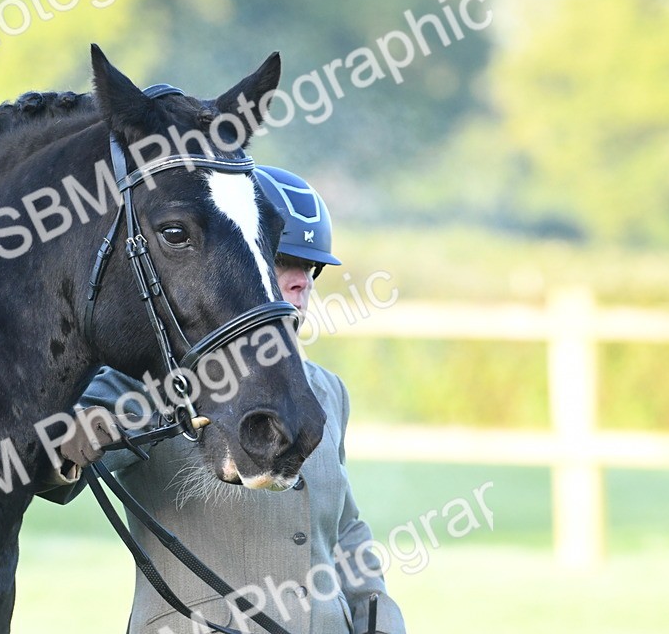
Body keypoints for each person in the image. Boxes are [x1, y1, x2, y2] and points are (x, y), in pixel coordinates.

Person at [38, 166, 406, 634]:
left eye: (311, 268)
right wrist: (76, 435)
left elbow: (346, 530)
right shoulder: (148, 377)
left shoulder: (328, 392)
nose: (302, 282)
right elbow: (61, 471)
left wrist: (378, 612)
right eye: (282, 261)